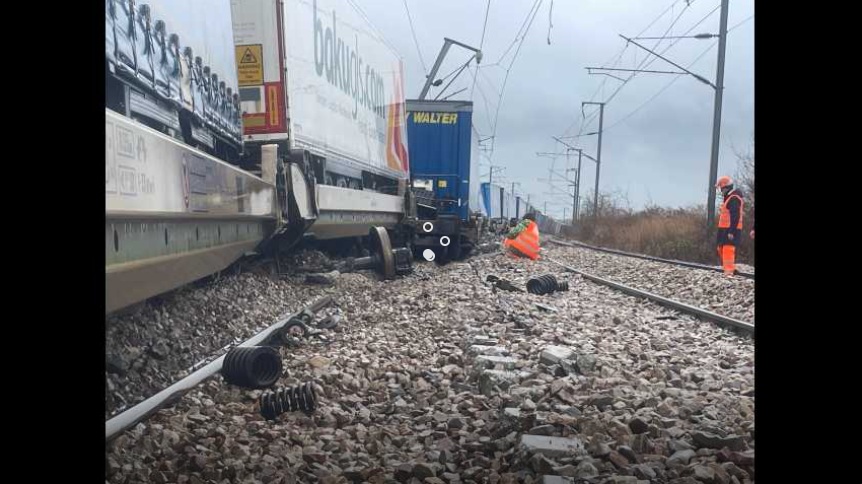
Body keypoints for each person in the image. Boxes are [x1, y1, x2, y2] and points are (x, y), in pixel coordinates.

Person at [715, 176, 744, 275]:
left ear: (726, 187)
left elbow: (735, 215)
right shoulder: (729, 197)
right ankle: (729, 268)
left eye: (721, 188)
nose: (720, 191)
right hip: (724, 228)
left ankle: (729, 271)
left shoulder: (734, 198)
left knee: (728, 249)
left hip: (730, 228)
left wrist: (732, 231)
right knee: (721, 248)